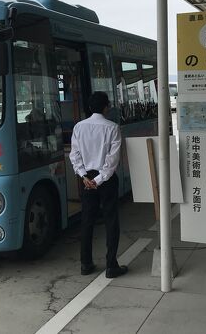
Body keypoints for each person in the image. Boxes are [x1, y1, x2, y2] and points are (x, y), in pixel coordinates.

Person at [69, 91, 127, 279]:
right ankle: (111, 266)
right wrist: (100, 179)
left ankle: (85, 264)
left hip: (87, 179)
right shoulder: (112, 127)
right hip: (106, 179)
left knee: (87, 221)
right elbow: (112, 160)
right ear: (106, 107)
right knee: (111, 221)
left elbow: (75, 154)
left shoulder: (79, 127)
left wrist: (84, 176)